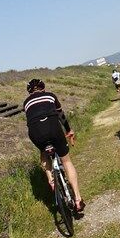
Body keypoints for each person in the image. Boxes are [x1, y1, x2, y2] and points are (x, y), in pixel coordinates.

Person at [23, 78, 85, 213]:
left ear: (29, 92)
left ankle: (51, 179)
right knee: (66, 161)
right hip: (53, 129)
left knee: (43, 152)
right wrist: (68, 130)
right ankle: (78, 200)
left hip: (35, 133)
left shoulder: (26, 103)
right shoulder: (50, 96)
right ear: (43, 88)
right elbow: (61, 115)